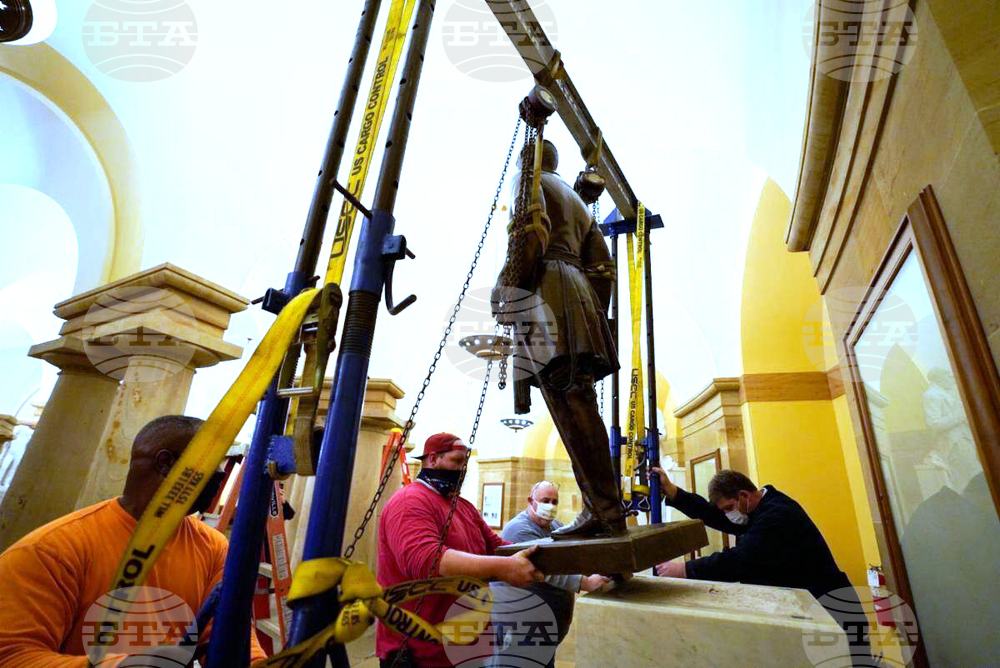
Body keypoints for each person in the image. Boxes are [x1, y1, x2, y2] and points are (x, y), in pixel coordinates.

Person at [0, 414, 267, 667]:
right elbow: (11, 657)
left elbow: (225, 630)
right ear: (166, 463)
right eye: (214, 462)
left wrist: (257, 663)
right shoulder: (52, 550)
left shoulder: (212, 546)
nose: (221, 474)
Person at [493, 139, 624, 539]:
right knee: (579, 402)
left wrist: (506, 288)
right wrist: (593, 312)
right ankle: (602, 507)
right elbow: (603, 268)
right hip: (578, 297)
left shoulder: (527, 179)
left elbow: (529, 232)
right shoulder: (577, 200)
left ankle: (604, 510)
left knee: (570, 405)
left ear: (527, 159)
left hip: (548, 297)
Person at [651, 467, 875, 667]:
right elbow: (716, 516)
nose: (728, 514)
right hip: (816, 613)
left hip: (833, 613)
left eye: (729, 507)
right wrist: (674, 493)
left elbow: (740, 560)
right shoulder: (756, 509)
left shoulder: (777, 514)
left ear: (743, 495)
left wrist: (685, 569)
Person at [376, 433, 543, 668]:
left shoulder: (462, 506)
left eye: (465, 464)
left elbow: (498, 547)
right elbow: (428, 561)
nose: (461, 470)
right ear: (432, 459)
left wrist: (551, 552)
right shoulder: (410, 501)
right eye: (456, 462)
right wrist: (505, 568)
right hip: (422, 652)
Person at [497, 481, 610, 667]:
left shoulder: (554, 526)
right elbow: (543, 566)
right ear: (530, 501)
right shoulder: (518, 529)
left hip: (543, 632)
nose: (550, 505)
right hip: (520, 630)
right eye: (545, 500)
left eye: (554, 501)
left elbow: (573, 550)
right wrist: (585, 582)